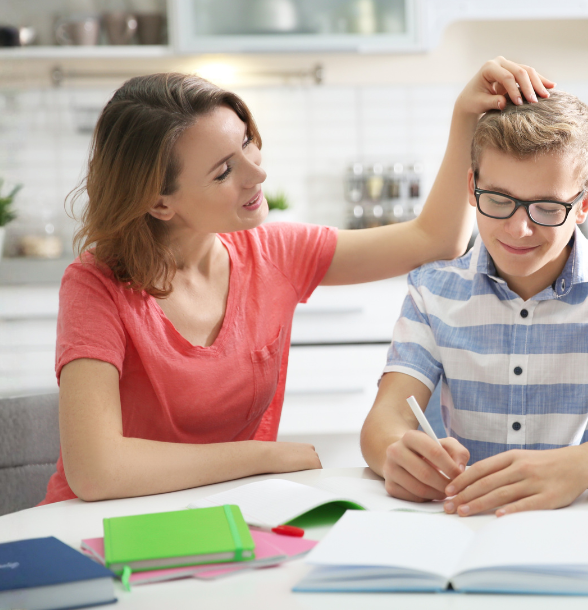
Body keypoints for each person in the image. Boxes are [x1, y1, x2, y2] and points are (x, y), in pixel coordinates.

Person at [41, 58, 554, 504]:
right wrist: (261, 457)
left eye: (247, 144)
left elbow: (435, 238)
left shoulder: (275, 253)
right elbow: (96, 470)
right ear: (159, 202)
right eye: (224, 171)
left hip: (231, 514)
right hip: (99, 523)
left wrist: (466, 114)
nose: (256, 174)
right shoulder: (95, 286)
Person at [359, 90, 588, 517]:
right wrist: (395, 453)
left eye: (546, 207)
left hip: (587, 521)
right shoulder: (431, 291)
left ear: (583, 204)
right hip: (468, 519)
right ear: (472, 188)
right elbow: (383, 420)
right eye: (499, 200)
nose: (519, 228)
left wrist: (575, 467)